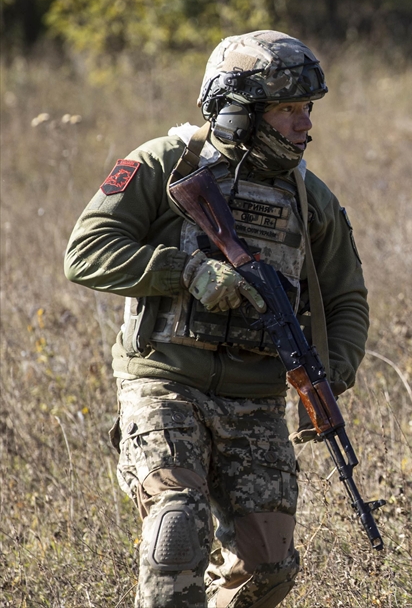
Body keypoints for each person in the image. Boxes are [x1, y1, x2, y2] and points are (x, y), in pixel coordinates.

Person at [64, 30, 369, 608]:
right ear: (237, 111)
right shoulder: (163, 163)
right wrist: (186, 271)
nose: (305, 124)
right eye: (287, 109)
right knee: (177, 528)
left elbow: (346, 299)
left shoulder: (311, 199)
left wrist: (329, 374)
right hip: (164, 383)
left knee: (269, 569)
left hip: (255, 400)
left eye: (307, 108)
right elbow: (86, 251)